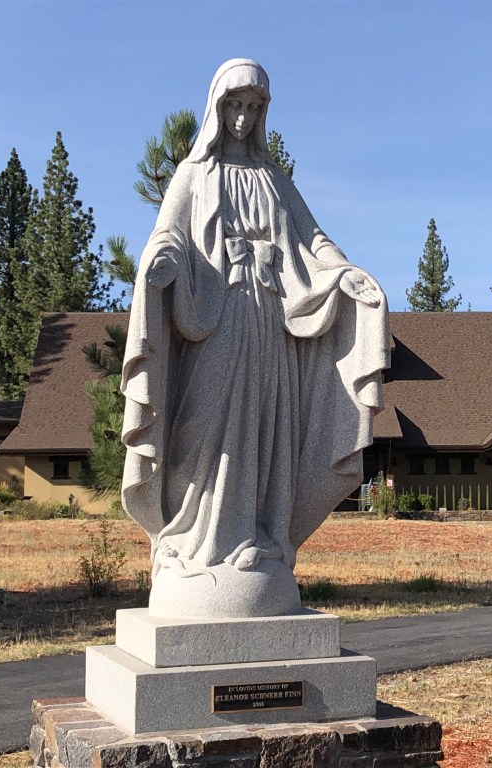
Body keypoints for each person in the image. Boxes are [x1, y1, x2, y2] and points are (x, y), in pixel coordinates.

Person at [120, 59, 389, 618]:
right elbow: (168, 234)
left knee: (263, 430)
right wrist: (161, 260)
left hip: (269, 319)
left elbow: (313, 239)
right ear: (218, 109)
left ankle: (259, 537)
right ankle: (190, 541)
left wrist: (344, 272)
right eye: (235, 106)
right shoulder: (194, 175)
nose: (243, 117)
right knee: (203, 427)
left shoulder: (273, 179)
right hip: (216, 317)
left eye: (253, 108)